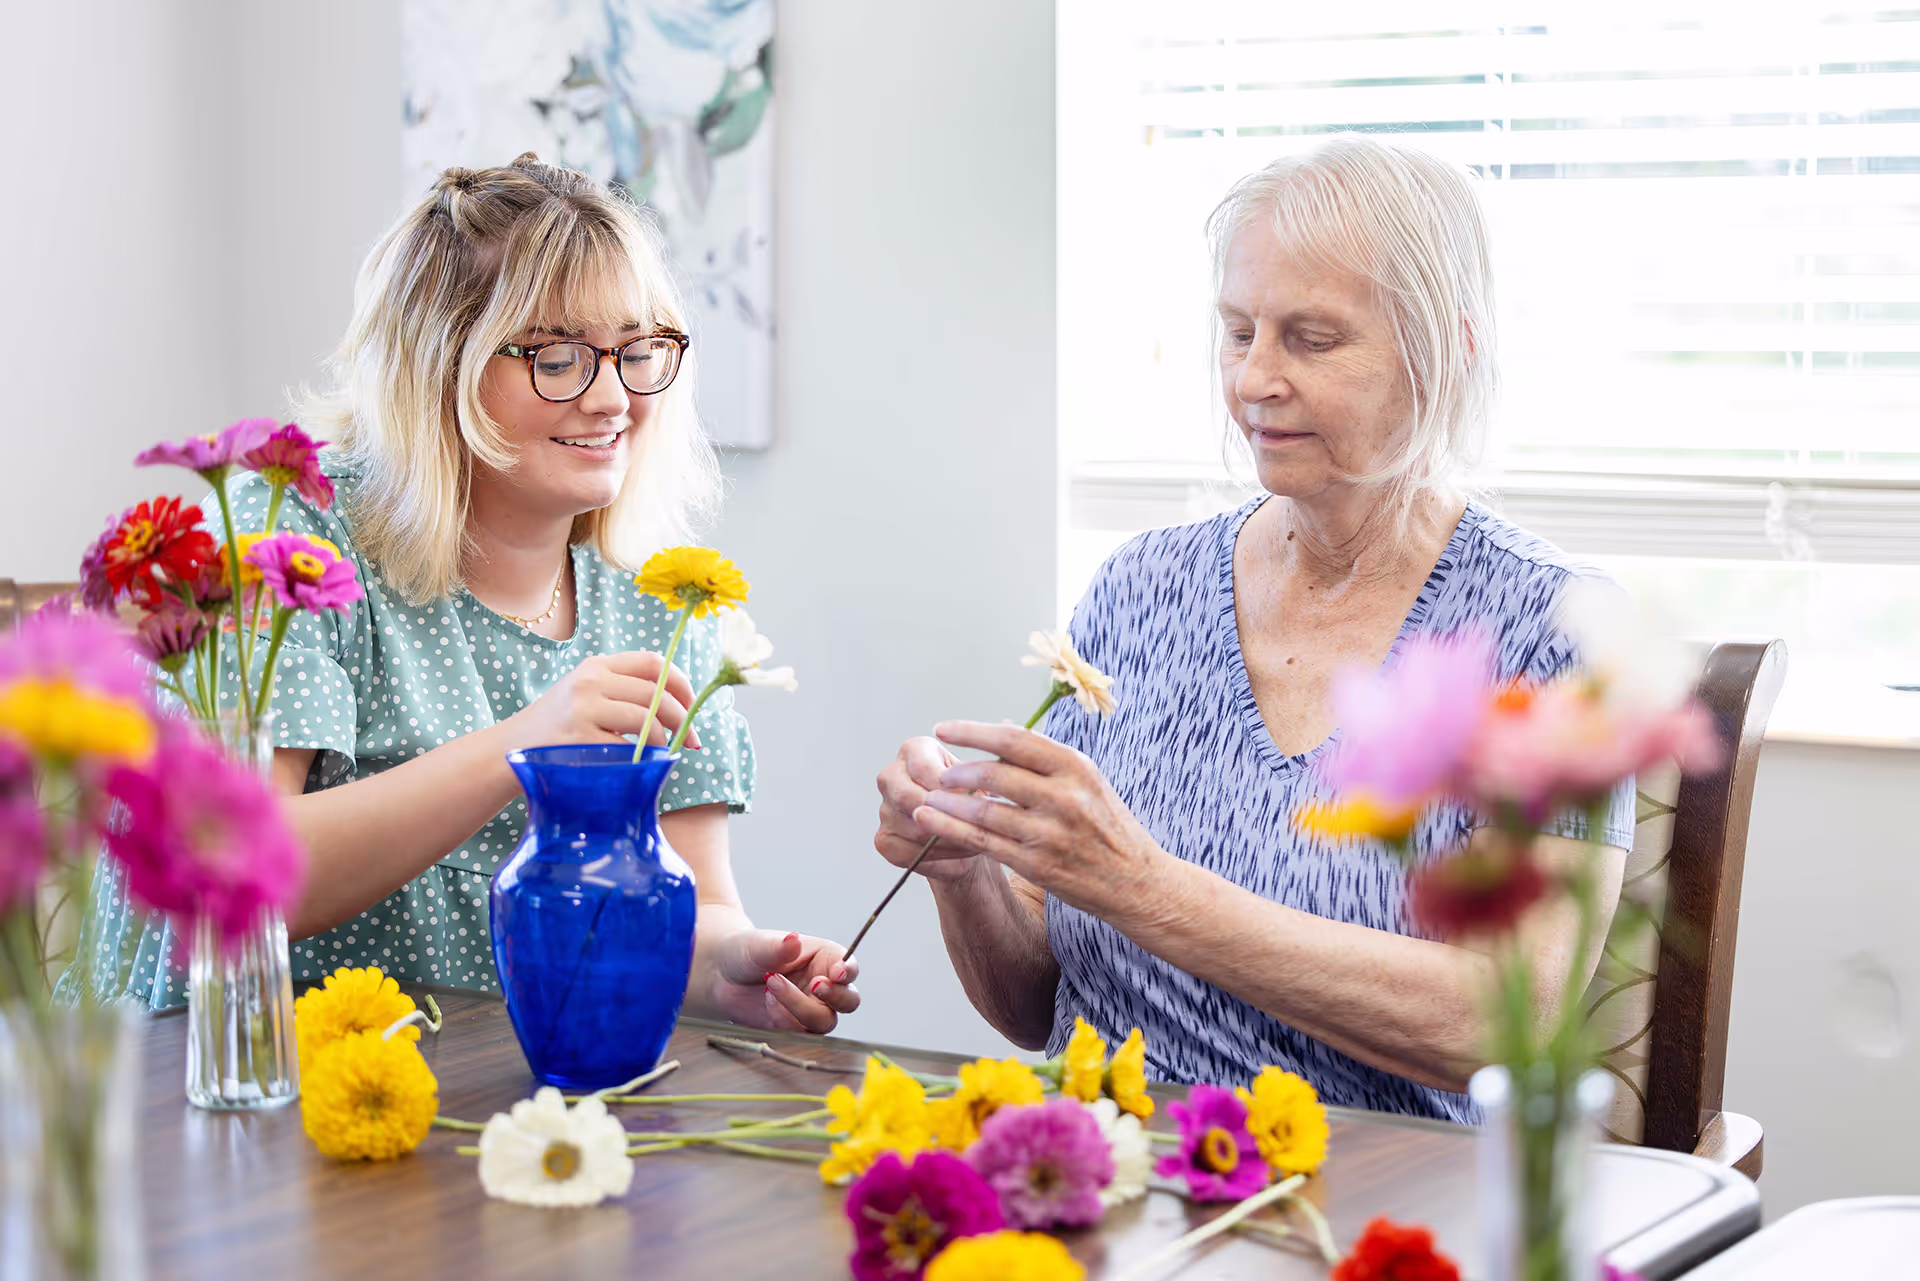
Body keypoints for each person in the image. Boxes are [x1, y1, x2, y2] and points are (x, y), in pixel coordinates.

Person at [872, 135, 1633, 1120]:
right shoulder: (1138, 587)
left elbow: (1509, 1020)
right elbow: (1032, 1010)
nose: (1253, 381)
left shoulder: (1551, 630)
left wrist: (1145, 889)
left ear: (1448, 350)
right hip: (1093, 1173)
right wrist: (967, 873)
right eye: (1239, 333)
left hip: (1374, 1212)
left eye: (1313, 340)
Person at [77, 155, 857, 1033]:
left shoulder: (663, 605)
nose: (610, 396)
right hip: (240, 1088)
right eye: (557, 357)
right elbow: (233, 870)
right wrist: (523, 742)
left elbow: (699, 907)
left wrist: (731, 971)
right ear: (439, 363)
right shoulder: (290, 545)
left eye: (637, 352)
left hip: (487, 1104)